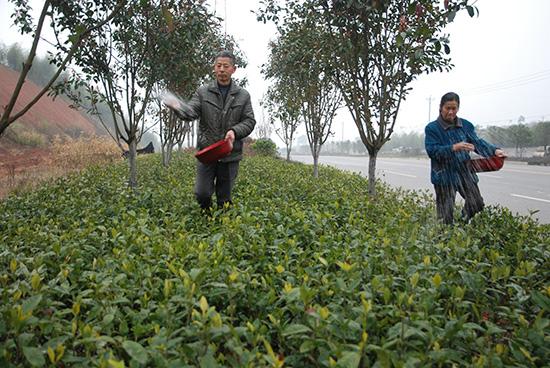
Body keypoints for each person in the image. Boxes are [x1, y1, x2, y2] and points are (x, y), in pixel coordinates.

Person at [162, 50, 256, 210]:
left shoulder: (243, 95)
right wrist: (178, 107)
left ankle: (222, 228)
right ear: (214, 68)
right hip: (208, 152)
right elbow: (191, 112)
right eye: (218, 65)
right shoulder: (203, 92)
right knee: (202, 193)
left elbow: (249, 121)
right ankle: (206, 220)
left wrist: (234, 131)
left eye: (225, 66)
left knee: (224, 199)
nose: (221, 69)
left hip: (230, 155)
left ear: (233, 69)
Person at [424, 92, 506, 224]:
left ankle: (461, 225)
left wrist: (495, 150)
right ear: (440, 107)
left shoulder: (466, 125)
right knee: (444, 217)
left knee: (476, 203)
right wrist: (453, 147)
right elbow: (432, 151)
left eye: (454, 108)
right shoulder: (432, 128)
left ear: (458, 108)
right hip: (444, 176)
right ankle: (444, 237)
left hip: (464, 172)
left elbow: (477, 143)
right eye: (447, 108)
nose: (451, 112)